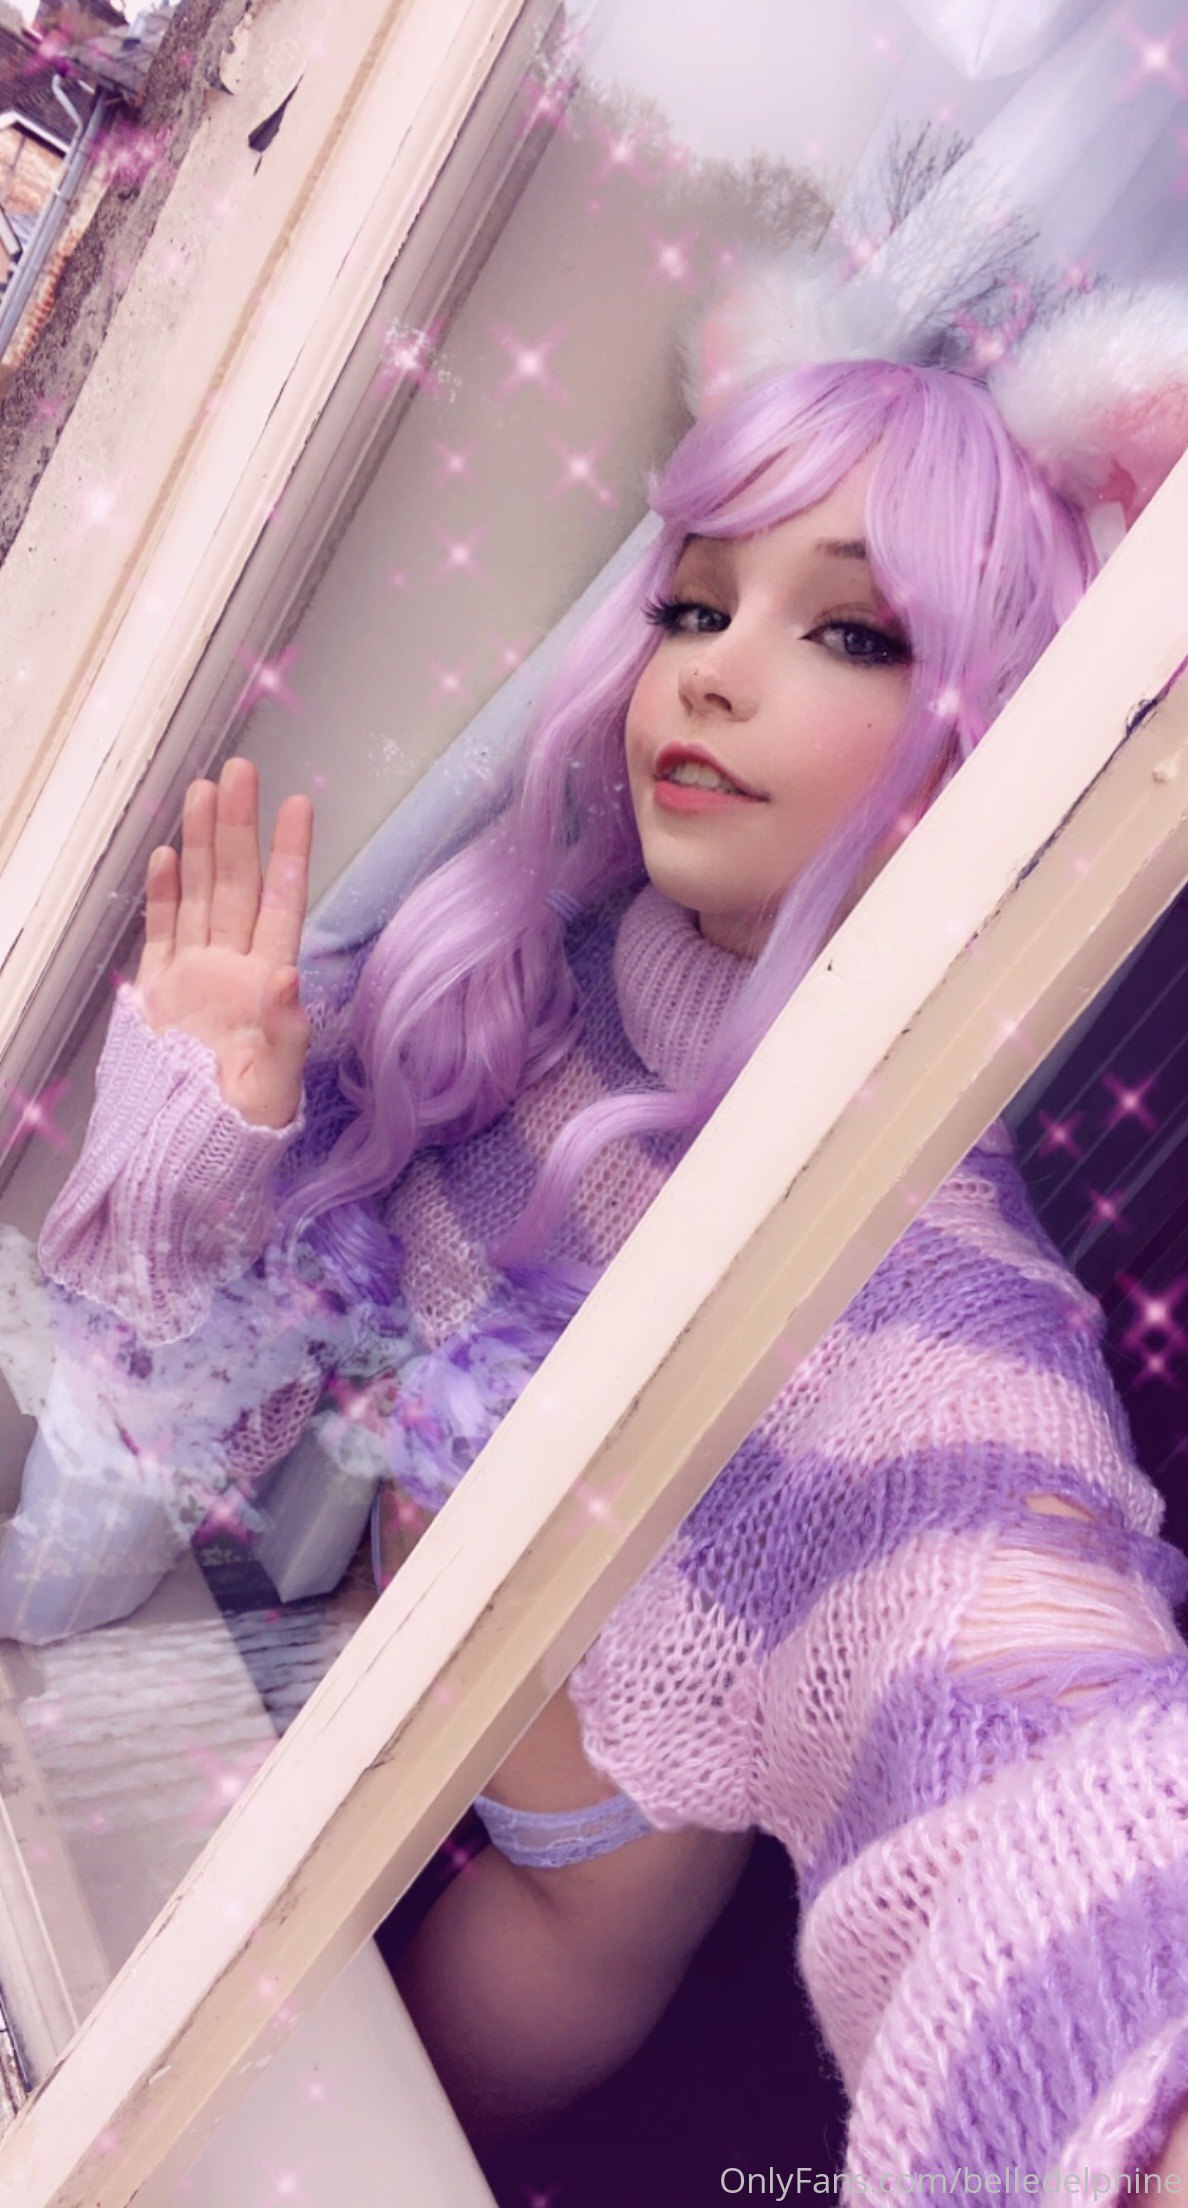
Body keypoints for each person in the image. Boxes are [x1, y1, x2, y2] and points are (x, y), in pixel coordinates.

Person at [8, 306, 1188, 2177]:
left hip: (551, 1911)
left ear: (987, 746)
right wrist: (212, 1130)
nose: (711, 676)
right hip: (320, 1704)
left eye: (854, 631)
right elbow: (155, 1448)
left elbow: (1014, 1686)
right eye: (695, 604)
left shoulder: (922, 1282)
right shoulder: (531, 984)